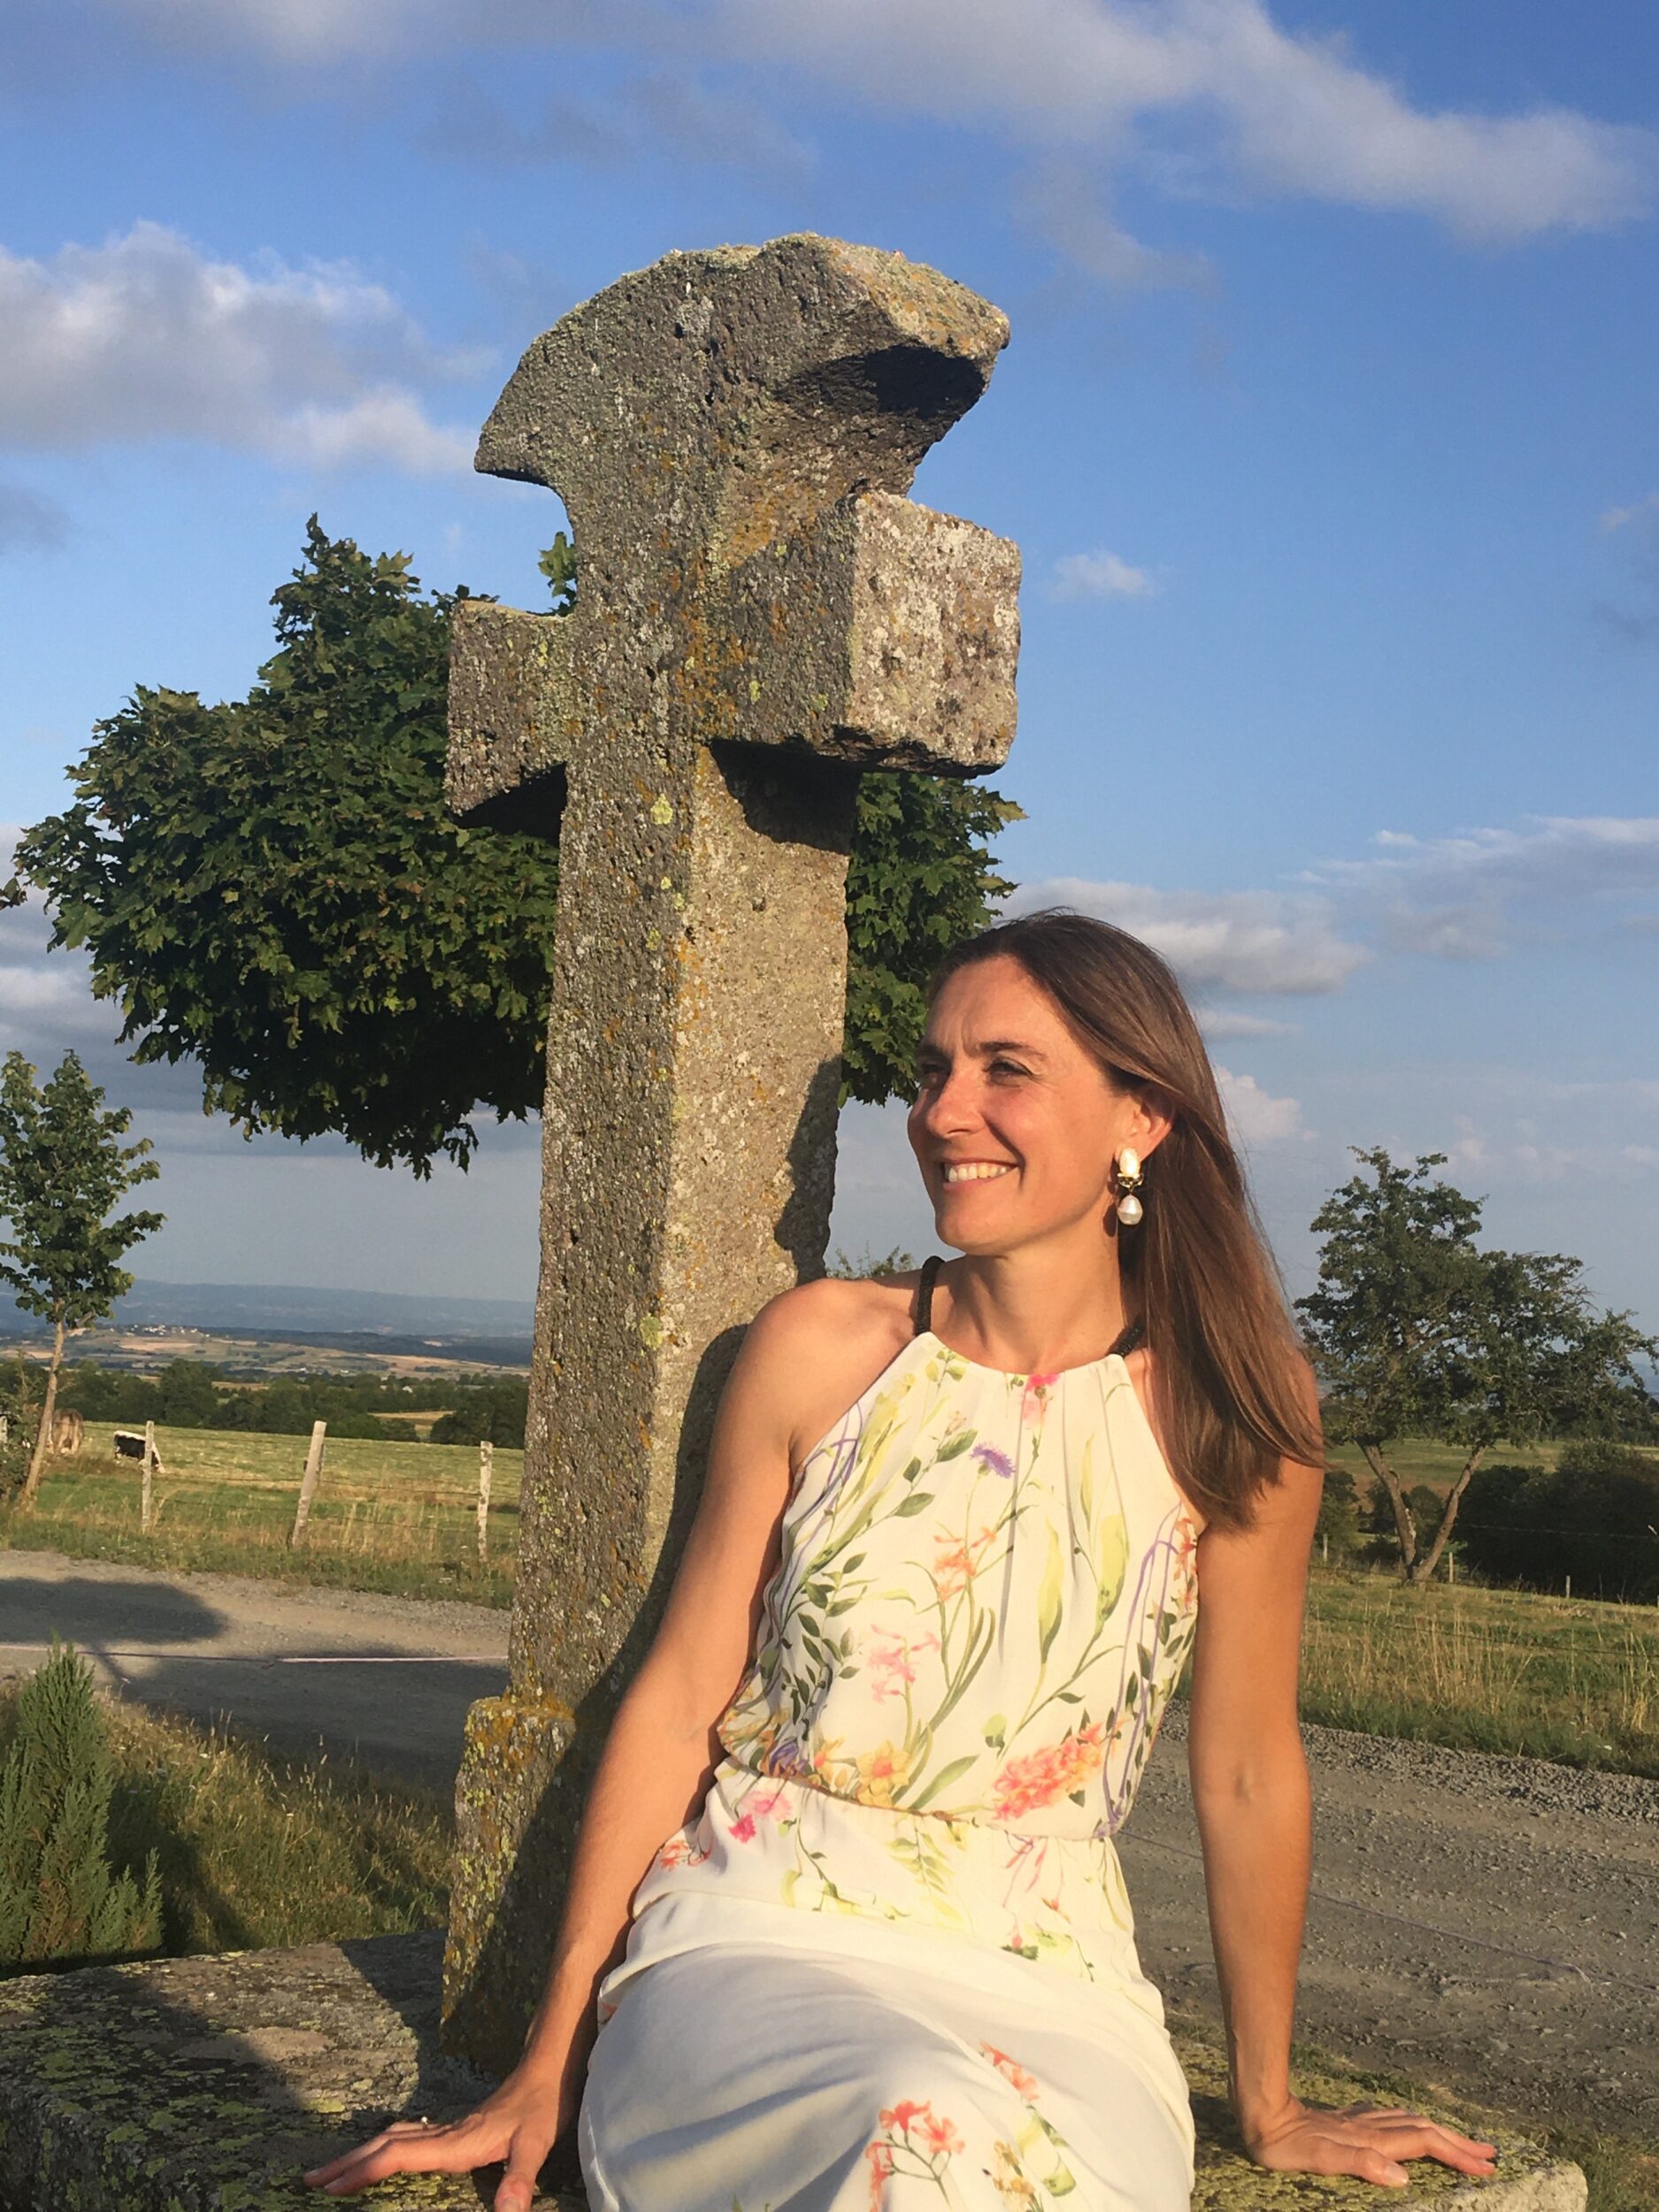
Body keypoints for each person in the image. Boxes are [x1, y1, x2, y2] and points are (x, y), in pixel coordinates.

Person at [308, 911, 1498, 2210]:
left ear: (1141, 1116)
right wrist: (552, 2052)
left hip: (1058, 1986)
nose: (943, 1112)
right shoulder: (824, 1352)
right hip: (756, 1937)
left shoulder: (1237, 1413)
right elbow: (681, 1691)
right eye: (933, 1070)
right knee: (907, 2135)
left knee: (991, 2155)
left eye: (1006, 1070)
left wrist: (1265, 2102)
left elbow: (1252, 1768)